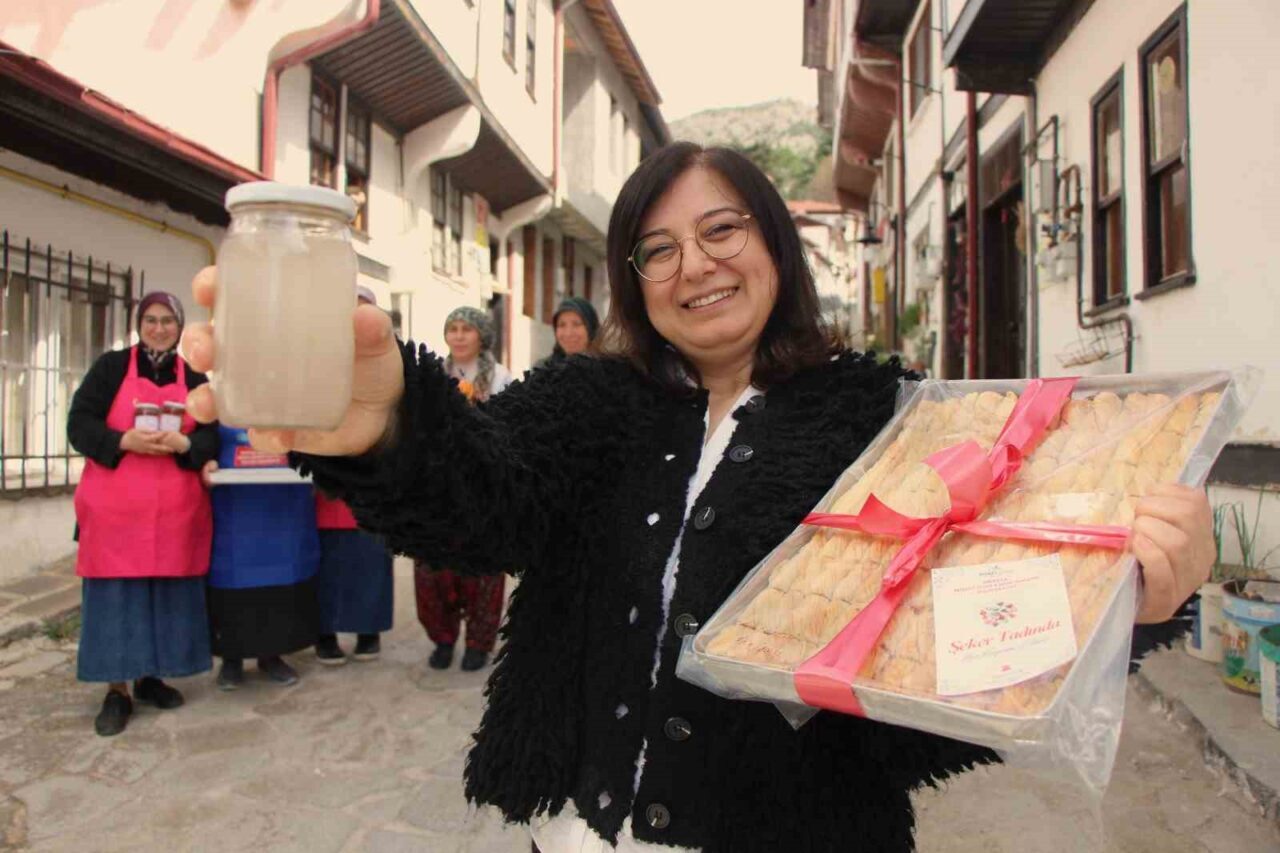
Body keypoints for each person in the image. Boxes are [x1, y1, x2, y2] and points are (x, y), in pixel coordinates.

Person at [181, 143, 1216, 853]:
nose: (694, 266)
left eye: (721, 231)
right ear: (633, 279)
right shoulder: (595, 403)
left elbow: (937, 666)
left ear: (773, 243)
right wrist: (389, 424)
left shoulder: (879, 419)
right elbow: (480, 495)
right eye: (658, 248)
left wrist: (1129, 602)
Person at [68, 291, 217, 737]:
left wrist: (187, 445)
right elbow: (78, 424)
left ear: (179, 325)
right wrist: (122, 441)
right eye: (150, 320)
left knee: (163, 597)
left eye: (167, 320)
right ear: (139, 324)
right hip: (116, 512)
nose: (158, 328)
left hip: (174, 512)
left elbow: (212, 435)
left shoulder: (193, 376)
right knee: (119, 602)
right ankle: (117, 691)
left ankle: (152, 676)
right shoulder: (110, 369)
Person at [413, 306, 513, 671]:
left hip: (481, 484)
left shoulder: (500, 377)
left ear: (481, 336)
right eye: (452, 328)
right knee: (433, 566)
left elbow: (508, 426)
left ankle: (478, 642)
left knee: (482, 566)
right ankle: (441, 638)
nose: (458, 335)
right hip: (437, 486)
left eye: (466, 329)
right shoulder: (429, 376)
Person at [313, 285, 395, 666]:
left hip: (375, 478)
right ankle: (325, 632)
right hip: (328, 476)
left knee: (369, 559)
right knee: (328, 561)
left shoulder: (394, 365)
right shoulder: (318, 362)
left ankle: (368, 630)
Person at [205, 424, 321, 689]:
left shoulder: (292, 396)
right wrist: (205, 460)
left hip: (283, 500)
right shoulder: (218, 395)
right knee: (232, 581)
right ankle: (231, 659)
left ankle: (272, 655)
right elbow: (201, 436)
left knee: (279, 579)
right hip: (233, 502)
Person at [536, 296, 600, 369]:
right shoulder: (542, 369)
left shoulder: (607, 372)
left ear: (591, 328)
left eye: (577, 324)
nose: (568, 333)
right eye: (562, 325)